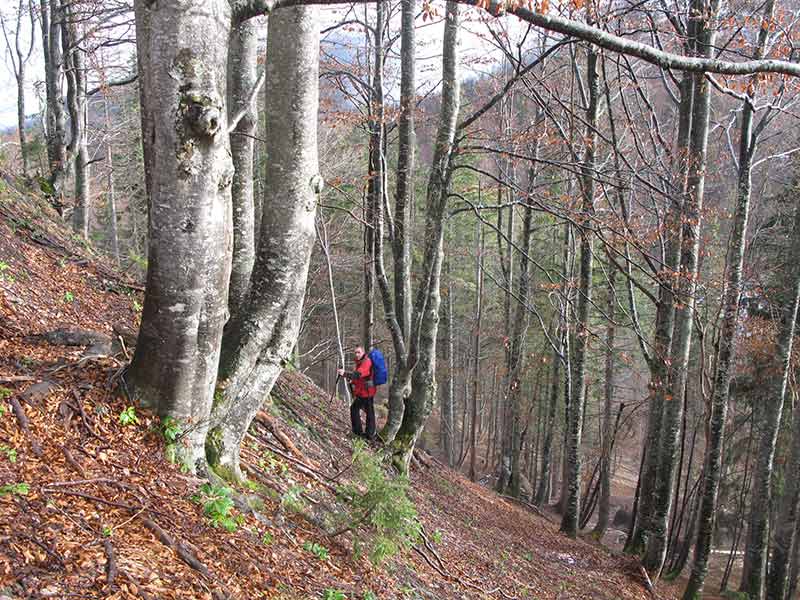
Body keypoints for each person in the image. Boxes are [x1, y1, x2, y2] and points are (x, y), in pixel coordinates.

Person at [337, 346, 376, 440]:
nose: (357, 354)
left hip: (367, 392)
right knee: (360, 410)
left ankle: (366, 434)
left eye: (358, 352)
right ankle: (363, 433)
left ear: (363, 352)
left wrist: (345, 374)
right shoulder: (360, 362)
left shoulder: (366, 362)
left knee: (366, 411)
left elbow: (359, 374)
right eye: (355, 352)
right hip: (363, 391)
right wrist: (352, 381)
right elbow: (359, 377)